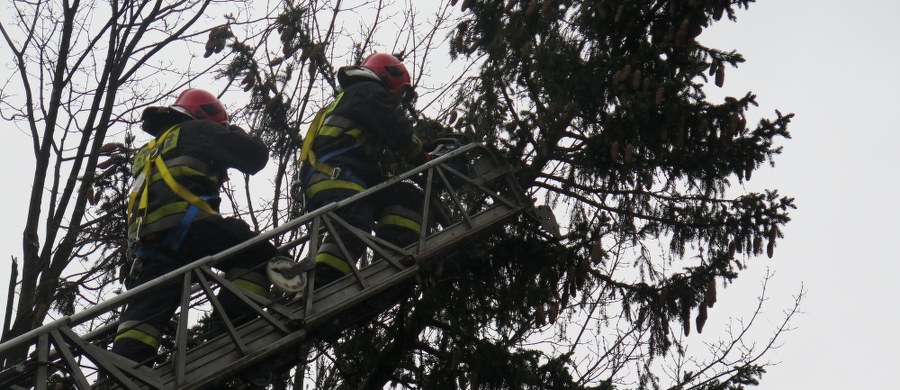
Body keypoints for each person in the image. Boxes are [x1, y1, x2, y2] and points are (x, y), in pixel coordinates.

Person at [112, 88, 279, 365]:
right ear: (205, 115)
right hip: (191, 228)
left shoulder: (148, 151)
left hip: (149, 243)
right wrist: (236, 134)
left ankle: (125, 372)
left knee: (146, 311)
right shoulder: (199, 130)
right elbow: (254, 157)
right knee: (257, 255)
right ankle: (231, 329)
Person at [298, 53, 429, 289]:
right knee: (354, 221)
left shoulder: (356, 97)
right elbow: (396, 128)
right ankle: (322, 281)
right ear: (387, 78)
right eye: (399, 93)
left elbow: (361, 152)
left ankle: (396, 250)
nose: (398, 101)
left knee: (406, 197)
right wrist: (420, 154)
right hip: (334, 176)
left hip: (347, 176)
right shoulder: (368, 91)